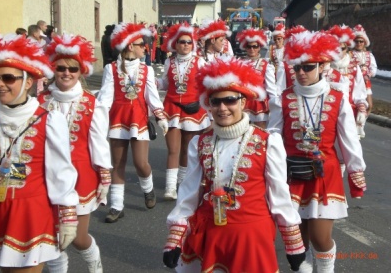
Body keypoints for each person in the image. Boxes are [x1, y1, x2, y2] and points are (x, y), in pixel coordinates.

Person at [162, 58, 306, 272]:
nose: (222, 108)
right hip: (213, 233)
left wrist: (293, 242)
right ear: (208, 104)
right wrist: (175, 237)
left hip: (252, 236)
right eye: (215, 101)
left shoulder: (268, 141)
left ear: (243, 102)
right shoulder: (199, 142)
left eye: (229, 100)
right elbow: (188, 194)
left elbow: (279, 194)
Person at [268, 30, 367, 272]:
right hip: (291, 174)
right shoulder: (282, 98)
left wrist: (355, 173)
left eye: (308, 67)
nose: (301, 73)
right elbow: (272, 138)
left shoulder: (338, 98)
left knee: (320, 238)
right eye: (297, 68)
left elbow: (349, 140)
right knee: (296, 240)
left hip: (325, 174)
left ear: (323, 66)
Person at [0, 33, 79, 271]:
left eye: (8, 78)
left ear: (28, 82)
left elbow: (60, 171)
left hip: (32, 213)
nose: (0, 84)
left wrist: (68, 214)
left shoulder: (50, 119)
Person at [40, 34, 112, 273]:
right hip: (44, 176)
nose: (67, 73)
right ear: (53, 69)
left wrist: (104, 174)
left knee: (78, 238)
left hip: (81, 177)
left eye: (73, 68)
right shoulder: (39, 102)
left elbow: (99, 142)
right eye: (61, 67)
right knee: (51, 238)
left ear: (81, 71)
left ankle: (95, 264)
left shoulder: (92, 103)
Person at [97, 22, 168, 223]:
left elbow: (152, 96)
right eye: (140, 44)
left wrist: (160, 116)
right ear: (129, 46)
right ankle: (116, 206)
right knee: (117, 163)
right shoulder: (111, 69)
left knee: (140, 163)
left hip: (138, 120)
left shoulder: (147, 70)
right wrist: (98, 119)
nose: (144, 48)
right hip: (118, 120)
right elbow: (105, 97)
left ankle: (148, 189)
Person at [157, 23, 211, 200]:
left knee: (187, 150)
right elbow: (165, 83)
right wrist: (153, 83)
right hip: (172, 107)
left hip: (193, 108)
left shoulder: (200, 62)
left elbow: (206, 85)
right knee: (173, 149)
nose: (185, 45)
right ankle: (170, 187)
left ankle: (182, 183)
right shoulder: (169, 61)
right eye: (182, 42)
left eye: (189, 42)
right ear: (175, 43)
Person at [329, 24, 368, 138]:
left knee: (349, 147)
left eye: (342, 48)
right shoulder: (324, 66)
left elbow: (360, 92)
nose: (339, 52)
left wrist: (361, 108)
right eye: (336, 48)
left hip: (348, 113)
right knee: (322, 146)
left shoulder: (354, 67)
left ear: (348, 48)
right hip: (328, 113)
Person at [236, 28, 276, 128]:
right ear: (245, 47)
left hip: (259, 106)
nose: (252, 49)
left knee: (259, 135)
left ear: (259, 47)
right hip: (243, 104)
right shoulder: (239, 63)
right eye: (249, 47)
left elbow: (271, 90)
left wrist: (275, 108)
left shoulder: (266, 65)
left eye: (255, 46)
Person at [350, 24, 377, 116]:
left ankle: (362, 123)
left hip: (366, 83)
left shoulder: (369, 55)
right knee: (356, 105)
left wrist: (368, 75)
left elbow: (373, 68)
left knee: (369, 105)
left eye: (361, 41)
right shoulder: (350, 54)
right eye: (356, 41)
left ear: (365, 42)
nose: (359, 43)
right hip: (355, 83)